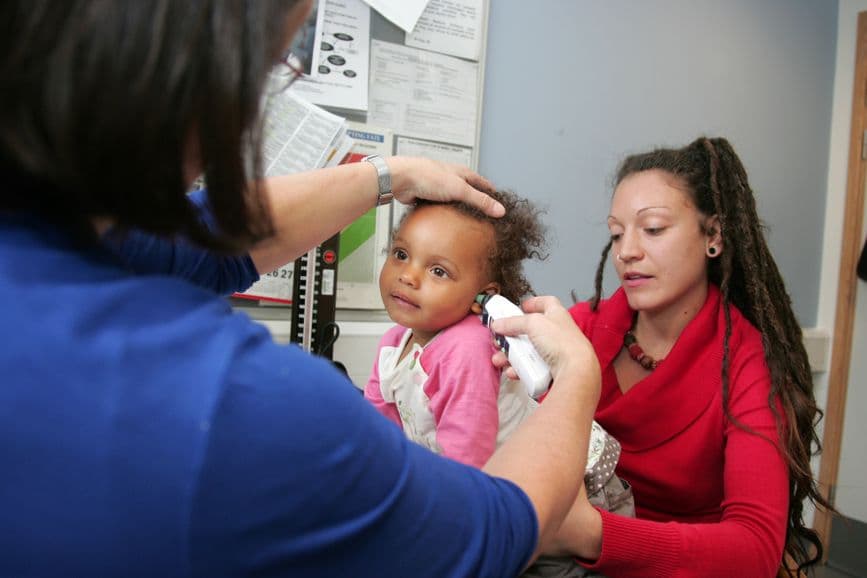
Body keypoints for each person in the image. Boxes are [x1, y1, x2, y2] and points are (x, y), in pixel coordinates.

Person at [0, 2, 604, 577]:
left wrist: (389, 175)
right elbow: (489, 531)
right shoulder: (245, 404)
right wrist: (578, 376)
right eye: (271, 65)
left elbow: (203, 241)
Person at [542, 137, 832, 577]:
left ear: (712, 235)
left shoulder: (749, 365)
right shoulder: (578, 331)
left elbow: (754, 549)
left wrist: (592, 533)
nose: (626, 252)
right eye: (617, 233)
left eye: (653, 228)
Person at [365, 192, 635, 578]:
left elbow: (469, 466)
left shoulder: (466, 349)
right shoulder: (394, 344)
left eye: (438, 271)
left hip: (582, 492)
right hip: (507, 488)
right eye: (401, 254)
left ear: (482, 298)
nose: (408, 275)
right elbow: (382, 437)